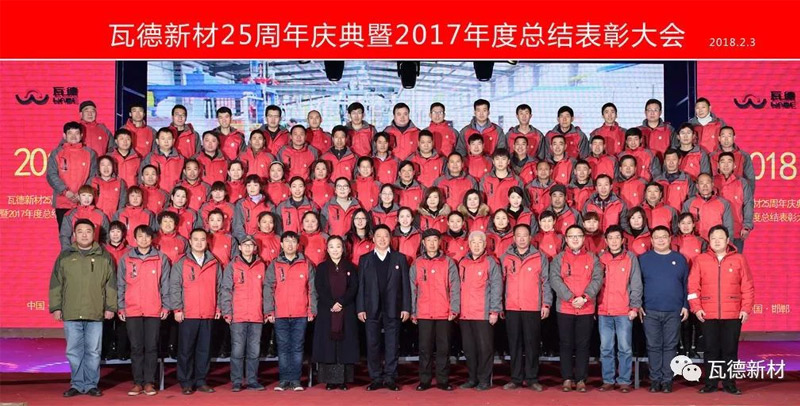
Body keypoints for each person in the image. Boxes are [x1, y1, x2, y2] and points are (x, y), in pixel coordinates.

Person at [50, 219, 117, 397]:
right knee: (73, 351)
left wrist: (110, 307)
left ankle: (91, 384)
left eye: (88, 231)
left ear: (93, 234)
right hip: (71, 311)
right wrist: (56, 307)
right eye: (80, 231)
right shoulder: (65, 256)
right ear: (74, 234)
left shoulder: (104, 256)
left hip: (95, 312)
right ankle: (77, 383)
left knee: (93, 351)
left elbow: (111, 284)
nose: (84, 235)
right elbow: (56, 283)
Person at [690, 225, 754, 395]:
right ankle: (710, 383)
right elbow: (693, 287)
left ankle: (730, 383)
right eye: (713, 238)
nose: (717, 241)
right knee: (710, 349)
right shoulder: (700, 260)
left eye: (720, 238)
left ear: (727, 240)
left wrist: (746, 309)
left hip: (733, 313)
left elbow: (747, 286)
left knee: (730, 350)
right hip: (707, 313)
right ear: (709, 241)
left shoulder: (739, 259)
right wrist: (696, 308)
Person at [117, 225, 171, 397]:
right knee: (136, 347)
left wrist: (166, 305)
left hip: (153, 308)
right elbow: (120, 284)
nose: (144, 239)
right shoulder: (126, 259)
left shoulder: (160, 258)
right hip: (132, 309)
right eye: (140, 236)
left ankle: (149, 382)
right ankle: (137, 382)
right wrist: (121, 306)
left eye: (147, 236)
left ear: (152, 239)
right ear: (135, 238)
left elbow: (165, 284)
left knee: (151, 347)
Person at [356, 224, 411, 391]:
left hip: (393, 307)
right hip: (371, 308)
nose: (382, 239)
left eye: (385, 236)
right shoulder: (365, 259)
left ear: (390, 239)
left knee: (392, 343)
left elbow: (405, 285)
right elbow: (361, 285)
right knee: (372, 344)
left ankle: (390, 377)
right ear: (373, 239)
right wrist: (360, 308)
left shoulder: (400, 258)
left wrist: (406, 307)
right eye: (378, 236)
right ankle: (375, 377)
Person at [549, 225, 603, 393]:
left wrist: (585, 297)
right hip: (565, 307)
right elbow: (555, 279)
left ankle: (580, 379)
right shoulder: (559, 258)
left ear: (583, 238)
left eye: (578, 236)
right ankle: (566, 378)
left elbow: (597, 279)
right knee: (565, 344)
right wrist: (571, 298)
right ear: (566, 239)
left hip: (586, 307)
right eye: (571, 236)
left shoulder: (592, 258)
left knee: (583, 345)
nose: (575, 239)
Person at [169, 228, 222, 395]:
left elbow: (220, 287)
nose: (199, 242)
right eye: (196, 239)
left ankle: (201, 380)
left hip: (207, 312)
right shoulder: (181, 262)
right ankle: (186, 382)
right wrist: (177, 308)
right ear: (190, 242)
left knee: (204, 350)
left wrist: (218, 307)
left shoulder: (214, 262)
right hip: (188, 313)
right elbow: (174, 287)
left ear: (207, 242)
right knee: (186, 350)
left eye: (202, 239)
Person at [637, 225, 689, 393]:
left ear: (670, 239)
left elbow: (687, 284)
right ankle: (655, 380)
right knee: (653, 346)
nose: (661, 240)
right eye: (657, 237)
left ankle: (667, 380)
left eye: (664, 237)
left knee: (670, 346)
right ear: (651, 241)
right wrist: (638, 304)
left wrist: (685, 305)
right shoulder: (643, 259)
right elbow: (637, 284)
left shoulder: (680, 259)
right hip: (650, 310)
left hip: (674, 311)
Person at [499, 224, 551, 391]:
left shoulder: (539, 256)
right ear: (514, 238)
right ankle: (515, 378)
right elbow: (500, 283)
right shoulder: (506, 257)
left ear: (530, 238)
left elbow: (546, 282)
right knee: (514, 345)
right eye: (518, 235)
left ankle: (532, 378)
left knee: (532, 344)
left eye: (525, 235)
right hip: (512, 307)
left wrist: (546, 303)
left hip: (532, 307)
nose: (521, 239)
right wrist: (500, 305)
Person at [265, 231, 318, 391]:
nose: (290, 245)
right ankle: (283, 380)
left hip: (300, 313)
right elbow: (269, 288)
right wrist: (269, 311)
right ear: (281, 244)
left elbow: (312, 289)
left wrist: (311, 310)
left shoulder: (306, 264)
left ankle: (295, 380)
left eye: (293, 241)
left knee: (297, 347)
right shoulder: (275, 264)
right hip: (280, 313)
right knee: (283, 347)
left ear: (298, 245)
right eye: (287, 241)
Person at [410, 229, 460, 392]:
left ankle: (443, 380)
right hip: (424, 312)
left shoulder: (448, 262)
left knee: (443, 348)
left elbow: (455, 287)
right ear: (423, 243)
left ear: (440, 242)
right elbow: (412, 289)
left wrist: (454, 308)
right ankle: (424, 380)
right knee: (425, 348)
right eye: (428, 240)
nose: (431, 244)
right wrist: (413, 311)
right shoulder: (417, 263)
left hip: (444, 312)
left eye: (435, 240)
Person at [218, 234, 268, 392]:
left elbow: (266, 291)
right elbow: (226, 290)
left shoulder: (262, 266)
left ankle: (252, 380)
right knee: (238, 350)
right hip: (238, 315)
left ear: (255, 248)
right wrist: (227, 311)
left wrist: (266, 311)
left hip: (256, 315)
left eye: (250, 245)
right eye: (245, 245)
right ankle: (237, 381)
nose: (247, 248)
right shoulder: (232, 266)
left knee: (254, 350)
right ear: (239, 247)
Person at [597, 225, 642, 393]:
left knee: (625, 348)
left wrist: (634, 307)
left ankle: (624, 381)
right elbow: (594, 283)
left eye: (617, 237)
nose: (614, 241)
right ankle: (608, 380)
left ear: (623, 240)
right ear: (606, 240)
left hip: (624, 310)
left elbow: (636, 284)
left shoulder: (630, 258)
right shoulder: (600, 258)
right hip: (604, 310)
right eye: (611, 238)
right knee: (606, 348)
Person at [312, 236, 360, 390]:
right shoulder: (321, 267)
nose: (335, 250)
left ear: (343, 248)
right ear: (327, 249)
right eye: (331, 246)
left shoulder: (350, 267)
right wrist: (331, 303)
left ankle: (344, 380)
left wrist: (342, 302)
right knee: (328, 346)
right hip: (327, 311)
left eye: (338, 246)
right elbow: (319, 287)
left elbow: (354, 287)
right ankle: (330, 380)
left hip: (346, 310)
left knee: (345, 345)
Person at [458, 230, 503, 391]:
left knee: (485, 349)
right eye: (473, 242)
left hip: (483, 313)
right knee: (469, 349)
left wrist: (494, 311)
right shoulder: (463, 262)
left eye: (480, 242)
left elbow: (497, 287)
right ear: (469, 245)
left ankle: (484, 379)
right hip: (465, 313)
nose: (476, 245)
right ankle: (472, 378)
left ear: (485, 245)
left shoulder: (491, 262)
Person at [47, 121, 98, 229]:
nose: (74, 136)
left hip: (83, 202)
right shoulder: (56, 153)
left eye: (77, 133)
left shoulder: (90, 153)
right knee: (65, 235)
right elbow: (51, 174)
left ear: (82, 135)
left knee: (84, 234)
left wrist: (82, 194)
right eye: (70, 133)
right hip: (63, 202)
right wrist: (65, 191)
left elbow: (93, 176)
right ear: (64, 135)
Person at [713, 152, 754, 253]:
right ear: (718, 165)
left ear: (734, 165)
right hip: (714, 233)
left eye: (729, 162)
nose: (726, 165)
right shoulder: (711, 182)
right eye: (723, 162)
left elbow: (748, 204)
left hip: (736, 232)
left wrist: (747, 227)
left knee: (734, 261)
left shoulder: (742, 183)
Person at [682, 173, 734, 241]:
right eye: (702, 183)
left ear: (712, 184)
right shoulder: (688, 204)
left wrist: (727, 244)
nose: (705, 186)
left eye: (707, 183)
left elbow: (729, 228)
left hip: (716, 242)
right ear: (697, 186)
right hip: (696, 242)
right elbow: (683, 226)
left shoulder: (724, 204)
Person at [59, 185, 109, 250]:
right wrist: (68, 252)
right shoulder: (70, 215)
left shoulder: (101, 215)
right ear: (78, 196)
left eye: (89, 196)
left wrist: (100, 250)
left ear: (93, 197)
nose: (86, 198)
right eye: (83, 195)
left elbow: (106, 236)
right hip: (75, 252)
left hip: (95, 253)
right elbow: (65, 236)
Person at [710, 126, 756, 192]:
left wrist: (748, 195)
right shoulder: (711, 156)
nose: (726, 139)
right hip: (717, 194)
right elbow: (707, 178)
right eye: (723, 136)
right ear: (719, 138)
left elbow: (750, 179)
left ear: (734, 138)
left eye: (729, 136)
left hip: (737, 194)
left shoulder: (744, 156)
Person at [141, 127, 185, 193]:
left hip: (175, 195)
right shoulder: (150, 157)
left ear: (173, 141)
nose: (166, 141)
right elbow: (142, 178)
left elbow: (184, 180)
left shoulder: (181, 159)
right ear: (157, 141)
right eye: (163, 138)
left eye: (169, 139)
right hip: (155, 194)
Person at [232, 174, 273, 241]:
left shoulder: (269, 205)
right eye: (249, 185)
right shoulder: (241, 204)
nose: (252, 188)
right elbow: (237, 225)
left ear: (260, 187)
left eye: (255, 185)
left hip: (264, 240)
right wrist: (245, 240)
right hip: (245, 242)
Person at [92, 155, 127, 220]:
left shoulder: (120, 182)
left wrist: (117, 217)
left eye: (109, 165)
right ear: (98, 168)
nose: (106, 168)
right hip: (96, 218)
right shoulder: (93, 181)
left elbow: (122, 201)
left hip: (113, 219)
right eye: (103, 165)